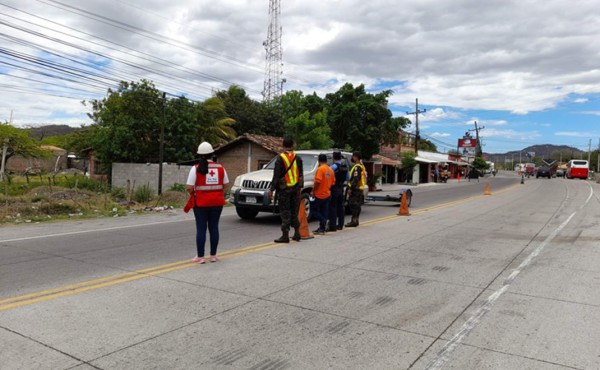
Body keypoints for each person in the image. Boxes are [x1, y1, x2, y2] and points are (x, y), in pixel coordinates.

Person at [186, 142, 228, 264]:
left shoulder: (195, 168)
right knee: (214, 228)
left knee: (201, 229)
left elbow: (189, 187)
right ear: (211, 154)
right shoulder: (220, 168)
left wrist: (193, 194)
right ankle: (213, 256)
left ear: (199, 155)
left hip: (200, 204)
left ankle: (200, 257)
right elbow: (225, 184)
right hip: (217, 203)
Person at [269, 137, 304, 243]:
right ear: (292, 145)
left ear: (283, 145)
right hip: (295, 189)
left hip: (284, 190)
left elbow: (277, 175)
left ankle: (285, 236)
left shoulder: (280, 158)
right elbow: (301, 174)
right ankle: (297, 233)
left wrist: (272, 189)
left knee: (285, 212)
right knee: (294, 211)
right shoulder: (297, 158)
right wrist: (300, 188)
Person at [311, 153, 335, 235]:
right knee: (324, 211)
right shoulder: (330, 170)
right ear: (326, 160)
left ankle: (324, 221)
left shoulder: (320, 169)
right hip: (327, 194)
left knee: (313, 211)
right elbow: (333, 182)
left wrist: (313, 191)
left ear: (318, 160)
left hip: (319, 194)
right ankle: (322, 229)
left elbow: (317, 181)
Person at [328, 151, 349, 232]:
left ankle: (332, 226)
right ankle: (340, 225)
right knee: (341, 207)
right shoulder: (345, 166)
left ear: (333, 158)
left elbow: (328, 177)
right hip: (341, 188)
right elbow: (347, 178)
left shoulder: (332, 167)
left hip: (333, 188)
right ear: (340, 157)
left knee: (333, 207)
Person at [345, 151, 366, 228]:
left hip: (356, 189)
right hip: (359, 188)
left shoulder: (357, 167)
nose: (352, 158)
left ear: (356, 157)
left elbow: (355, 179)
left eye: (353, 156)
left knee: (353, 204)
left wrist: (351, 188)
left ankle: (354, 221)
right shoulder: (361, 166)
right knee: (357, 205)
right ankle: (355, 220)